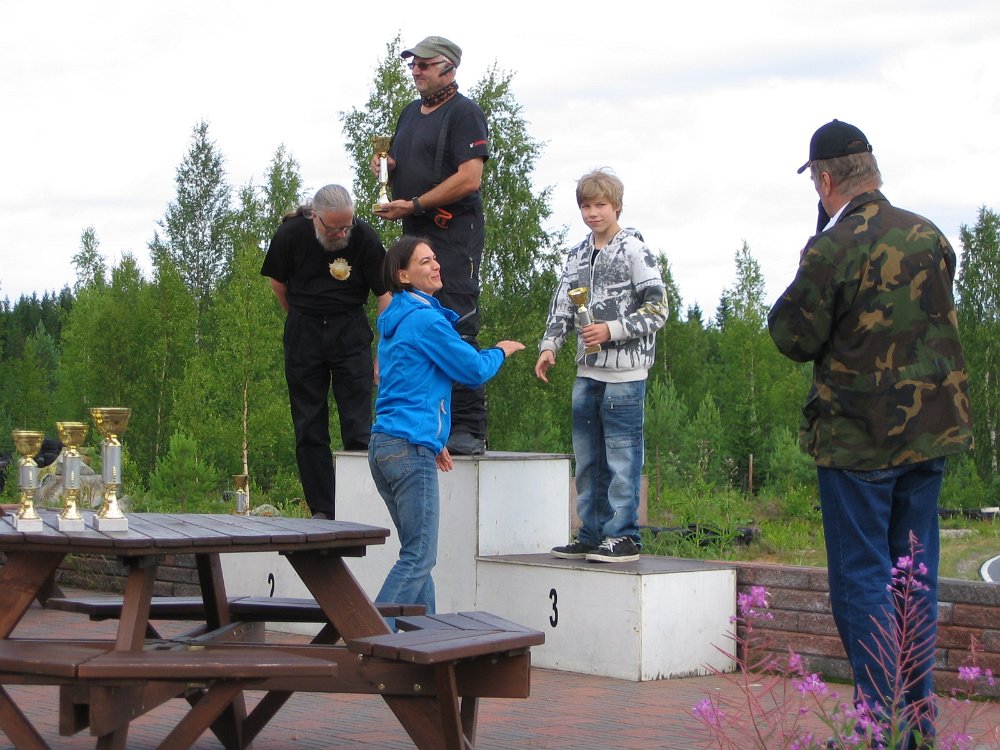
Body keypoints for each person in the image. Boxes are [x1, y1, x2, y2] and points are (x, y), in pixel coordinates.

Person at [768, 119, 974, 745]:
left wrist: (813, 250)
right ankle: (917, 727)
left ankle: (875, 731)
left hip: (860, 441)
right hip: (931, 435)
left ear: (826, 180)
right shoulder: (929, 234)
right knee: (914, 580)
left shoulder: (833, 247)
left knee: (863, 581)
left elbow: (792, 336)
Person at [369, 235, 523, 620]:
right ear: (403, 275)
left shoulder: (397, 318)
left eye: (435, 258)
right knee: (419, 557)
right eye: (424, 262)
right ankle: (369, 637)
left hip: (386, 444)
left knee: (416, 557)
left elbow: (404, 385)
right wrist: (500, 351)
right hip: (407, 448)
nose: (436, 265)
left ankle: (425, 640)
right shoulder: (424, 320)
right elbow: (472, 370)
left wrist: (435, 438)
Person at [535, 169, 668, 563]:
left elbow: (658, 309)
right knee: (588, 457)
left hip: (626, 372)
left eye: (600, 205)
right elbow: (562, 305)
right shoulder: (576, 254)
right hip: (587, 369)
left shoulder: (635, 250)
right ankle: (590, 533)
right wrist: (550, 345)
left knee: (622, 456)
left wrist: (611, 330)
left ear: (617, 206)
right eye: (585, 206)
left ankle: (624, 535)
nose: (592, 213)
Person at [372, 35, 490, 456]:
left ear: (448, 68)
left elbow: (469, 178)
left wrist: (417, 203)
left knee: (456, 320)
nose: (416, 71)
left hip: (453, 233)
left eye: (424, 64)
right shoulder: (409, 113)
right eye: (413, 65)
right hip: (415, 232)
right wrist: (386, 168)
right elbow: (408, 165)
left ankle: (469, 427)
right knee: (411, 318)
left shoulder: (465, 113)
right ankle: (417, 419)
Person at [261, 184, 391, 520]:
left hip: (350, 330)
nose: (342, 234)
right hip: (304, 331)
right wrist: (301, 317)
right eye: (334, 228)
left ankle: (361, 506)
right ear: (315, 217)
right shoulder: (290, 234)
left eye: (347, 226)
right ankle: (323, 508)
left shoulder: (364, 237)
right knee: (308, 425)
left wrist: (384, 347)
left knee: (358, 426)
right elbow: (277, 283)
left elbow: (385, 294)